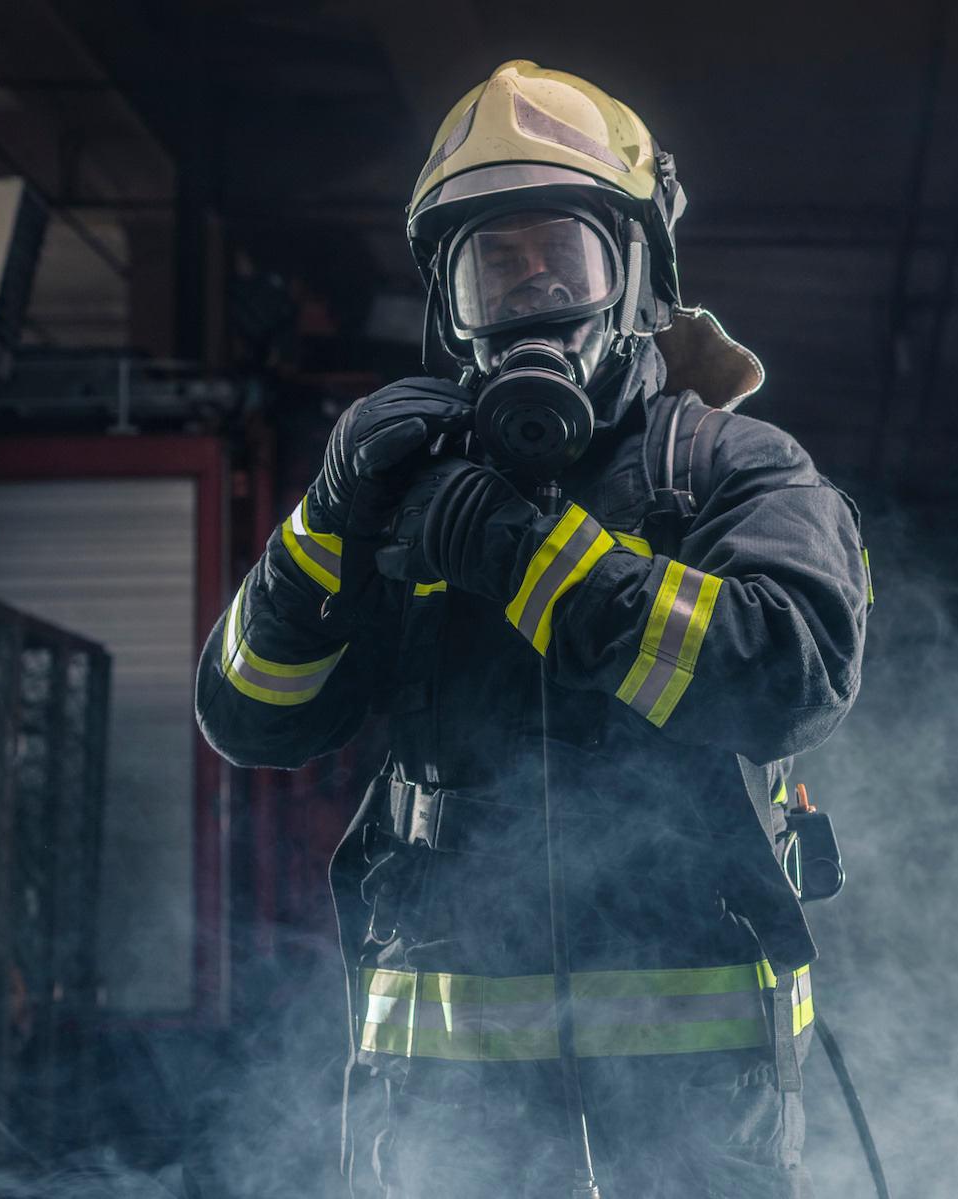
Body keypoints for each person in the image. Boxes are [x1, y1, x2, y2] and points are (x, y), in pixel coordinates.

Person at [196, 60, 870, 1199]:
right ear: (448, 307)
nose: (527, 296)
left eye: (561, 257)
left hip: (695, 1104)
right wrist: (331, 517)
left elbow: (790, 672)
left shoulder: (728, 469)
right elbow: (250, 717)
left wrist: (529, 556)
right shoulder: (407, 496)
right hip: (452, 1109)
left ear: (639, 272)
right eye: (490, 271)